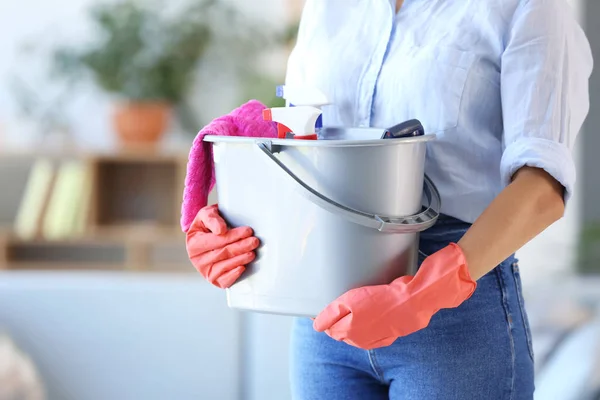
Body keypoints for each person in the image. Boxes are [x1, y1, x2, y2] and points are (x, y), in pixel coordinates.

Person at [185, 0, 593, 398]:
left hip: (455, 315)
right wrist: (234, 232)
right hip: (325, 317)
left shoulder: (528, 7)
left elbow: (543, 186)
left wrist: (423, 293)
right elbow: (303, 147)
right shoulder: (328, 8)